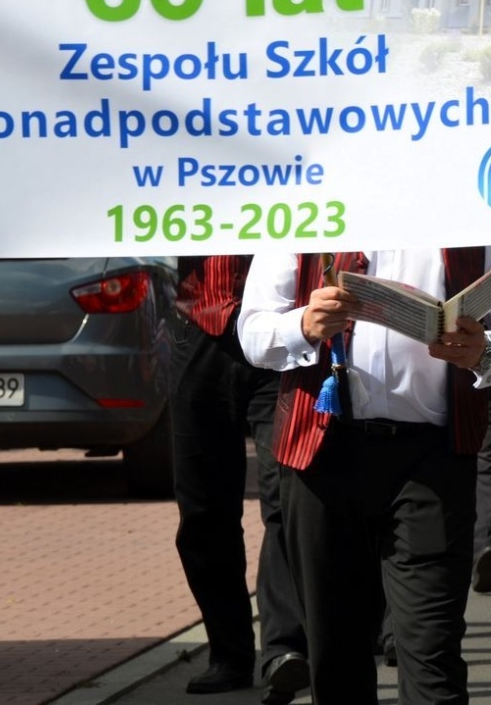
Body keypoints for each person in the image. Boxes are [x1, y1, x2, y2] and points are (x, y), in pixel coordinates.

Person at [239, 246, 491, 704]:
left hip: (432, 459)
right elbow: (253, 331)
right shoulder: (308, 200)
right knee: (337, 661)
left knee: (432, 659)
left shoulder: (472, 205)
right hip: (323, 456)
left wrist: (487, 350)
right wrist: (302, 325)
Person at [167, 255, 308, 701]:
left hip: (281, 329)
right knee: (202, 510)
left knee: (287, 499)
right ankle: (229, 654)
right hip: (199, 327)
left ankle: (285, 649)